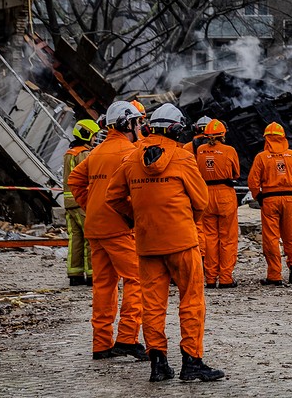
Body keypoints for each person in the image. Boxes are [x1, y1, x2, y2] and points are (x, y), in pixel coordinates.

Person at [104, 104, 223, 383]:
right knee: (191, 302)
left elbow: (113, 198)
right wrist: (183, 219)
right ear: (177, 129)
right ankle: (192, 362)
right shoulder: (183, 158)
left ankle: (158, 364)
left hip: (147, 244)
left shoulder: (132, 159)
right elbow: (201, 202)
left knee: (153, 305)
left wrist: (137, 218)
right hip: (182, 242)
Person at [67, 101, 148, 362]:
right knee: (136, 279)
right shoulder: (130, 151)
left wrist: (89, 204)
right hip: (119, 227)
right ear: (128, 124)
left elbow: (75, 181)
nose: (140, 127)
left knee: (104, 285)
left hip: (96, 226)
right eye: (137, 123)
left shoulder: (97, 152)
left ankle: (101, 344)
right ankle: (127, 338)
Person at [248, 122, 292, 286]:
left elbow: (253, 181)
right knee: (291, 236)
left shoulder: (261, 157)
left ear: (266, 138)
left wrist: (258, 196)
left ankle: (274, 275)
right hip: (289, 200)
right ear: (283, 138)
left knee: (271, 239)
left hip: (269, 200)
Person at [196, 119, 240, 288]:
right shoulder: (229, 150)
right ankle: (226, 278)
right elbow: (236, 174)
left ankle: (211, 278)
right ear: (223, 135)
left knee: (210, 238)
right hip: (225, 194)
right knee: (227, 238)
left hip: (205, 195)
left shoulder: (200, 150)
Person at [63, 119, 100, 287]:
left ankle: (75, 274)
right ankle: (93, 275)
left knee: (75, 239)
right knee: (91, 238)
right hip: (82, 202)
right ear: (86, 135)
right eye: (93, 136)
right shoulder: (84, 154)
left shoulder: (69, 153)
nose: (94, 139)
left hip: (69, 203)